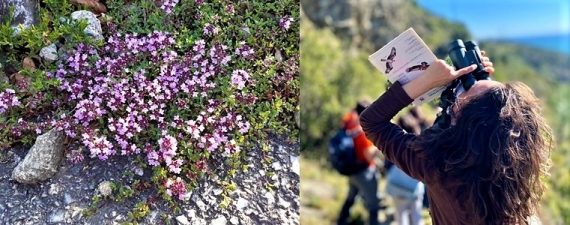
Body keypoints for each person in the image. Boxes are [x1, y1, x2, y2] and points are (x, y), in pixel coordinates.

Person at [360, 53, 552, 225]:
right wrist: (480, 87)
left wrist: (427, 81)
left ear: (460, 129)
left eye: (457, 104)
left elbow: (372, 121)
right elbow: (496, 123)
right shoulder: (514, 174)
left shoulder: (436, 165)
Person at [337, 101, 381, 225]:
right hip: (364, 172)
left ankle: (341, 221)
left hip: (352, 169)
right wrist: (379, 144)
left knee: (351, 197)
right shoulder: (362, 130)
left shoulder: (349, 122)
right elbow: (368, 155)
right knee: (374, 204)